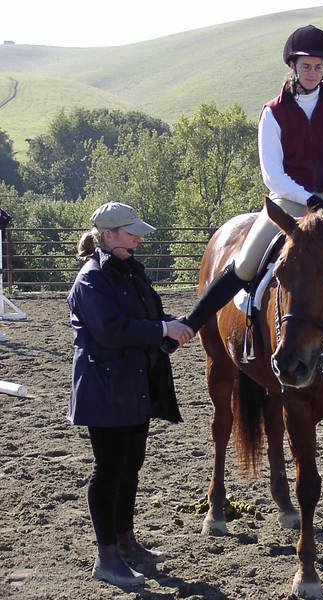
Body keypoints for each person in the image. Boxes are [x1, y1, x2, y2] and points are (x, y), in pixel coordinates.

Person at [175, 24, 323, 363]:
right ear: (293, 66)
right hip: (288, 201)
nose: (312, 73)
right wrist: (308, 198)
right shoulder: (273, 113)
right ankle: (193, 322)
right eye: (306, 66)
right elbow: (272, 174)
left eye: (318, 67)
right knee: (245, 263)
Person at [67, 201, 194, 588]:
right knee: (108, 471)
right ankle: (106, 557)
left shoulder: (131, 272)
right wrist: (163, 330)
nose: (138, 238)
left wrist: (173, 324)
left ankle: (126, 542)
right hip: (104, 390)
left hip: (133, 386)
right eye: (131, 232)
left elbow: (149, 316)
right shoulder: (91, 280)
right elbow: (112, 331)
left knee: (130, 467)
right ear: (108, 235)